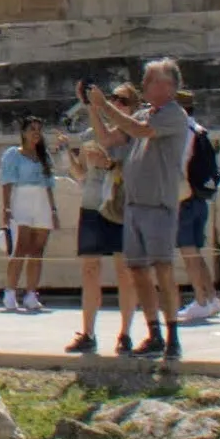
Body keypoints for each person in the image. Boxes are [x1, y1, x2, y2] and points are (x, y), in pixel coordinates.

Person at [89, 61, 200, 362]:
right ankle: (153, 333)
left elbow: (141, 130)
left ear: (170, 86)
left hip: (159, 205)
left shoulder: (174, 116)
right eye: (147, 80)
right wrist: (93, 107)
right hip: (134, 205)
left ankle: (172, 334)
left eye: (154, 81)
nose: (148, 85)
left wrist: (105, 106)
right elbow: (108, 139)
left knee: (163, 269)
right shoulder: (142, 113)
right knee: (137, 270)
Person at [65, 81, 133, 357]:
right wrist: (71, 159)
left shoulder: (133, 133)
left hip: (121, 206)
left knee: (124, 272)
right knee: (90, 270)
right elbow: (81, 175)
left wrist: (110, 164)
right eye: (112, 98)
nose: (116, 103)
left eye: (123, 100)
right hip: (93, 203)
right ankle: (88, 332)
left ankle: (126, 333)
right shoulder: (91, 135)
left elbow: (139, 170)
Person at [0, 119, 57, 313]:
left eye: (39, 130)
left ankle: (31, 294)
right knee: (20, 247)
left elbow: (49, 185)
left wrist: (53, 210)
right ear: (23, 133)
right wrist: (6, 209)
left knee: (37, 250)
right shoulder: (13, 154)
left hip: (41, 200)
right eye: (32, 129)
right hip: (22, 197)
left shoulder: (43, 155)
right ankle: (10, 292)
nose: (36, 133)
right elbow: (7, 182)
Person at [175, 110, 220, 326]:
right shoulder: (199, 130)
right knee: (196, 250)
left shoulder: (182, 133)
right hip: (200, 196)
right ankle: (212, 297)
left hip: (184, 196)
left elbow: (179, 164)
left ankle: (200, 299)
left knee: (188, 251)